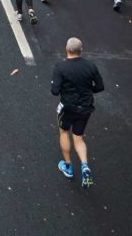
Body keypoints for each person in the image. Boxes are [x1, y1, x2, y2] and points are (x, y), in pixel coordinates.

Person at [51, 37, 104, 188]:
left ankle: (68, 167)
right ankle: (85, 165)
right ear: (81, 51)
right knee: (78, 138)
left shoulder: (60, 67)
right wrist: (88, 91)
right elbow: (99, 87)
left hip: (68, 107)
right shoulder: (91, 66)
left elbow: (54, 91)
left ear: (67, 50)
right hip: (85, 107)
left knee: (64, 132)